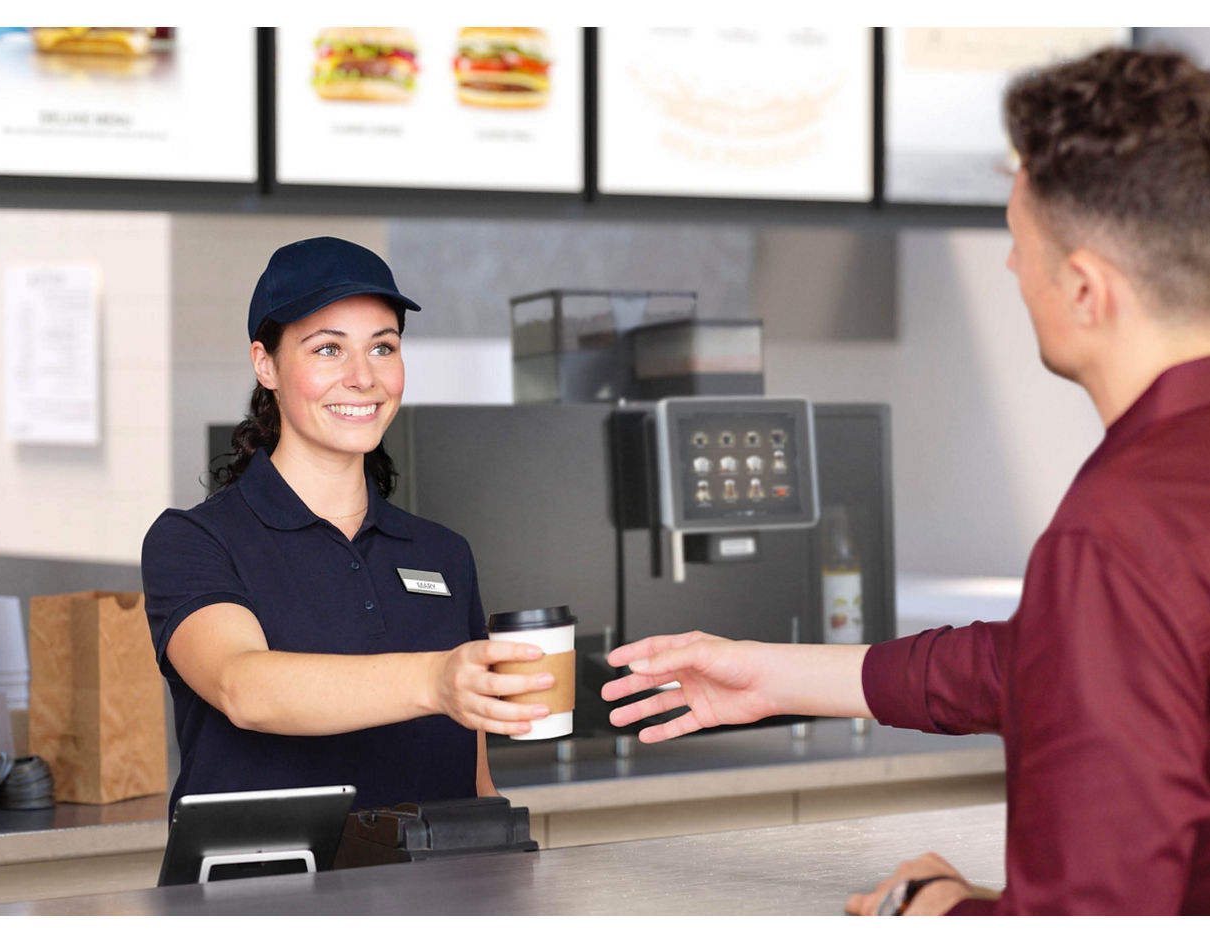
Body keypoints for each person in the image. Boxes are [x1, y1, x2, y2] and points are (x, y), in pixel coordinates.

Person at [603, 46, 1210, 916]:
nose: (1009, 269)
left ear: (1084, 290)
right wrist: (770, 676)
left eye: (1019, 242)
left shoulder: (1112, 533)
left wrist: (933, 911)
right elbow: (1038, 664)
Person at [142, 236, 554, 817]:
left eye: (383, 348)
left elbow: (474, 775)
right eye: (328, 349)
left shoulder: (444, 554)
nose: (363, 377)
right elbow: (244, 689)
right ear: (266, 364)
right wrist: (436, 678)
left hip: (434, 896)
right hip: (263, 899)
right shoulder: (195, 541)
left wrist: (505, 871)